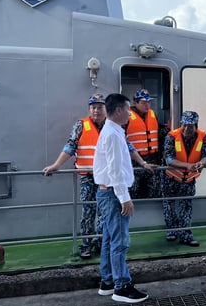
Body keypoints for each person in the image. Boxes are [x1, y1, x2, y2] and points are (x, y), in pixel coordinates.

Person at [43, 93, 155, 259]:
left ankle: (102, 242)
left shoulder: (114, 126)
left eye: (99, 107)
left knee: (106, 215)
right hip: (89, 177)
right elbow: (70, 146)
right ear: (89, 109)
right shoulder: (81, 126)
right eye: (93, 107)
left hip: (108, 180)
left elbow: (128, 146)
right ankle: (87, 244)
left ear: (106, 109)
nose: (96, 110)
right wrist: (56, 165)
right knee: (88, 211)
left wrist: (143, 163)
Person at [93, 93, 149, 303]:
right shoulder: (113, 134)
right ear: (118, 110)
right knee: (120, 241)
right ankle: (122, 286)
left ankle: (107, 281)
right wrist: (124, 198)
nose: (130, 114)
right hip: (114, 194)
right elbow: (115, 170)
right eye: (128, 109)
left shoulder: (112, 131)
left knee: (109, 239)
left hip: (107, 192)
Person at [162, 110, 206, 246]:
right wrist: (187, 165)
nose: (187, 128)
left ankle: (185, 235)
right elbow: (169, 159)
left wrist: (202, 163)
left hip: (189, 180)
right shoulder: (171, 136)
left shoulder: (203, 136)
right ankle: (171, 230)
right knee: (168, 205)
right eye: (184, 125)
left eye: (190, 126)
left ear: (196, 126)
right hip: (170, 178)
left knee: (186, 208)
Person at [126, 89, 163, 199]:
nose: (147, 105)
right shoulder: (127, 116)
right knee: (133, 190)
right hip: (134, 159)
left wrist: (167, 129)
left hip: (152, 158)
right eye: (143, 103)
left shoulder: (152, 114)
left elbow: (158, 133)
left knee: (154, 189)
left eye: (148, 102)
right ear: (135, 103)